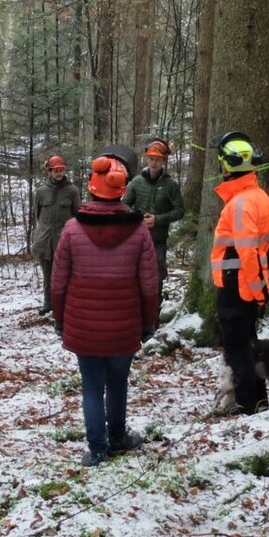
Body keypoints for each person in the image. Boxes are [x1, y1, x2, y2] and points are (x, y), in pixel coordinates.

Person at [51, 155, 159, 466]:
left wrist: (60, 319)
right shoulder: (138, 231)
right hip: (125, 326)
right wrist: (149, 321)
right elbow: (150, 284)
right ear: (122, 191)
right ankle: (118, 439)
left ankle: (98, 449)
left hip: (84, 326)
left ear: (91, 188)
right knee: (117, 383)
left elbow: (58, 283)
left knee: (92, 387)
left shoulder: (72, 230)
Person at [210, 131, 269, 415]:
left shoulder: (239, 204)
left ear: (227, 166)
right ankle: (257, 398)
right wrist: (262, 290)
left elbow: (248, 252)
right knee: (248, 344)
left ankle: (249, 402)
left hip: (236, 288)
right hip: (247, 287)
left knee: (236, 347)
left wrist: (253, 292)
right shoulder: (259, 196)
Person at [124, 137, 185, 300]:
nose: (154, 162)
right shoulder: (136, 182)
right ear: (146, 158)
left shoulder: (170, 185)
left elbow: (180, 210)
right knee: (134, 273)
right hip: (136, 238)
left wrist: (158, 219)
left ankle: (154, 310)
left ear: (164, 161)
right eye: (151, 158)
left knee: (157, 275)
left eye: (158, 159)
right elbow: (124, 206)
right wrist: (136, 217)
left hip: (158, 239)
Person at [32, 155, 79, 315]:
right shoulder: (40, 192)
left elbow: (77, 216)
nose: (59, 173)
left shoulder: (72, 191)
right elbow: (37, 214)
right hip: (45, 241)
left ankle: (65, 304)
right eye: (55, 171)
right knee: (47, 275)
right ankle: (48, 303)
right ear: (49, 171)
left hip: (64, 240)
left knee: (65, 274)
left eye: (61, 170)